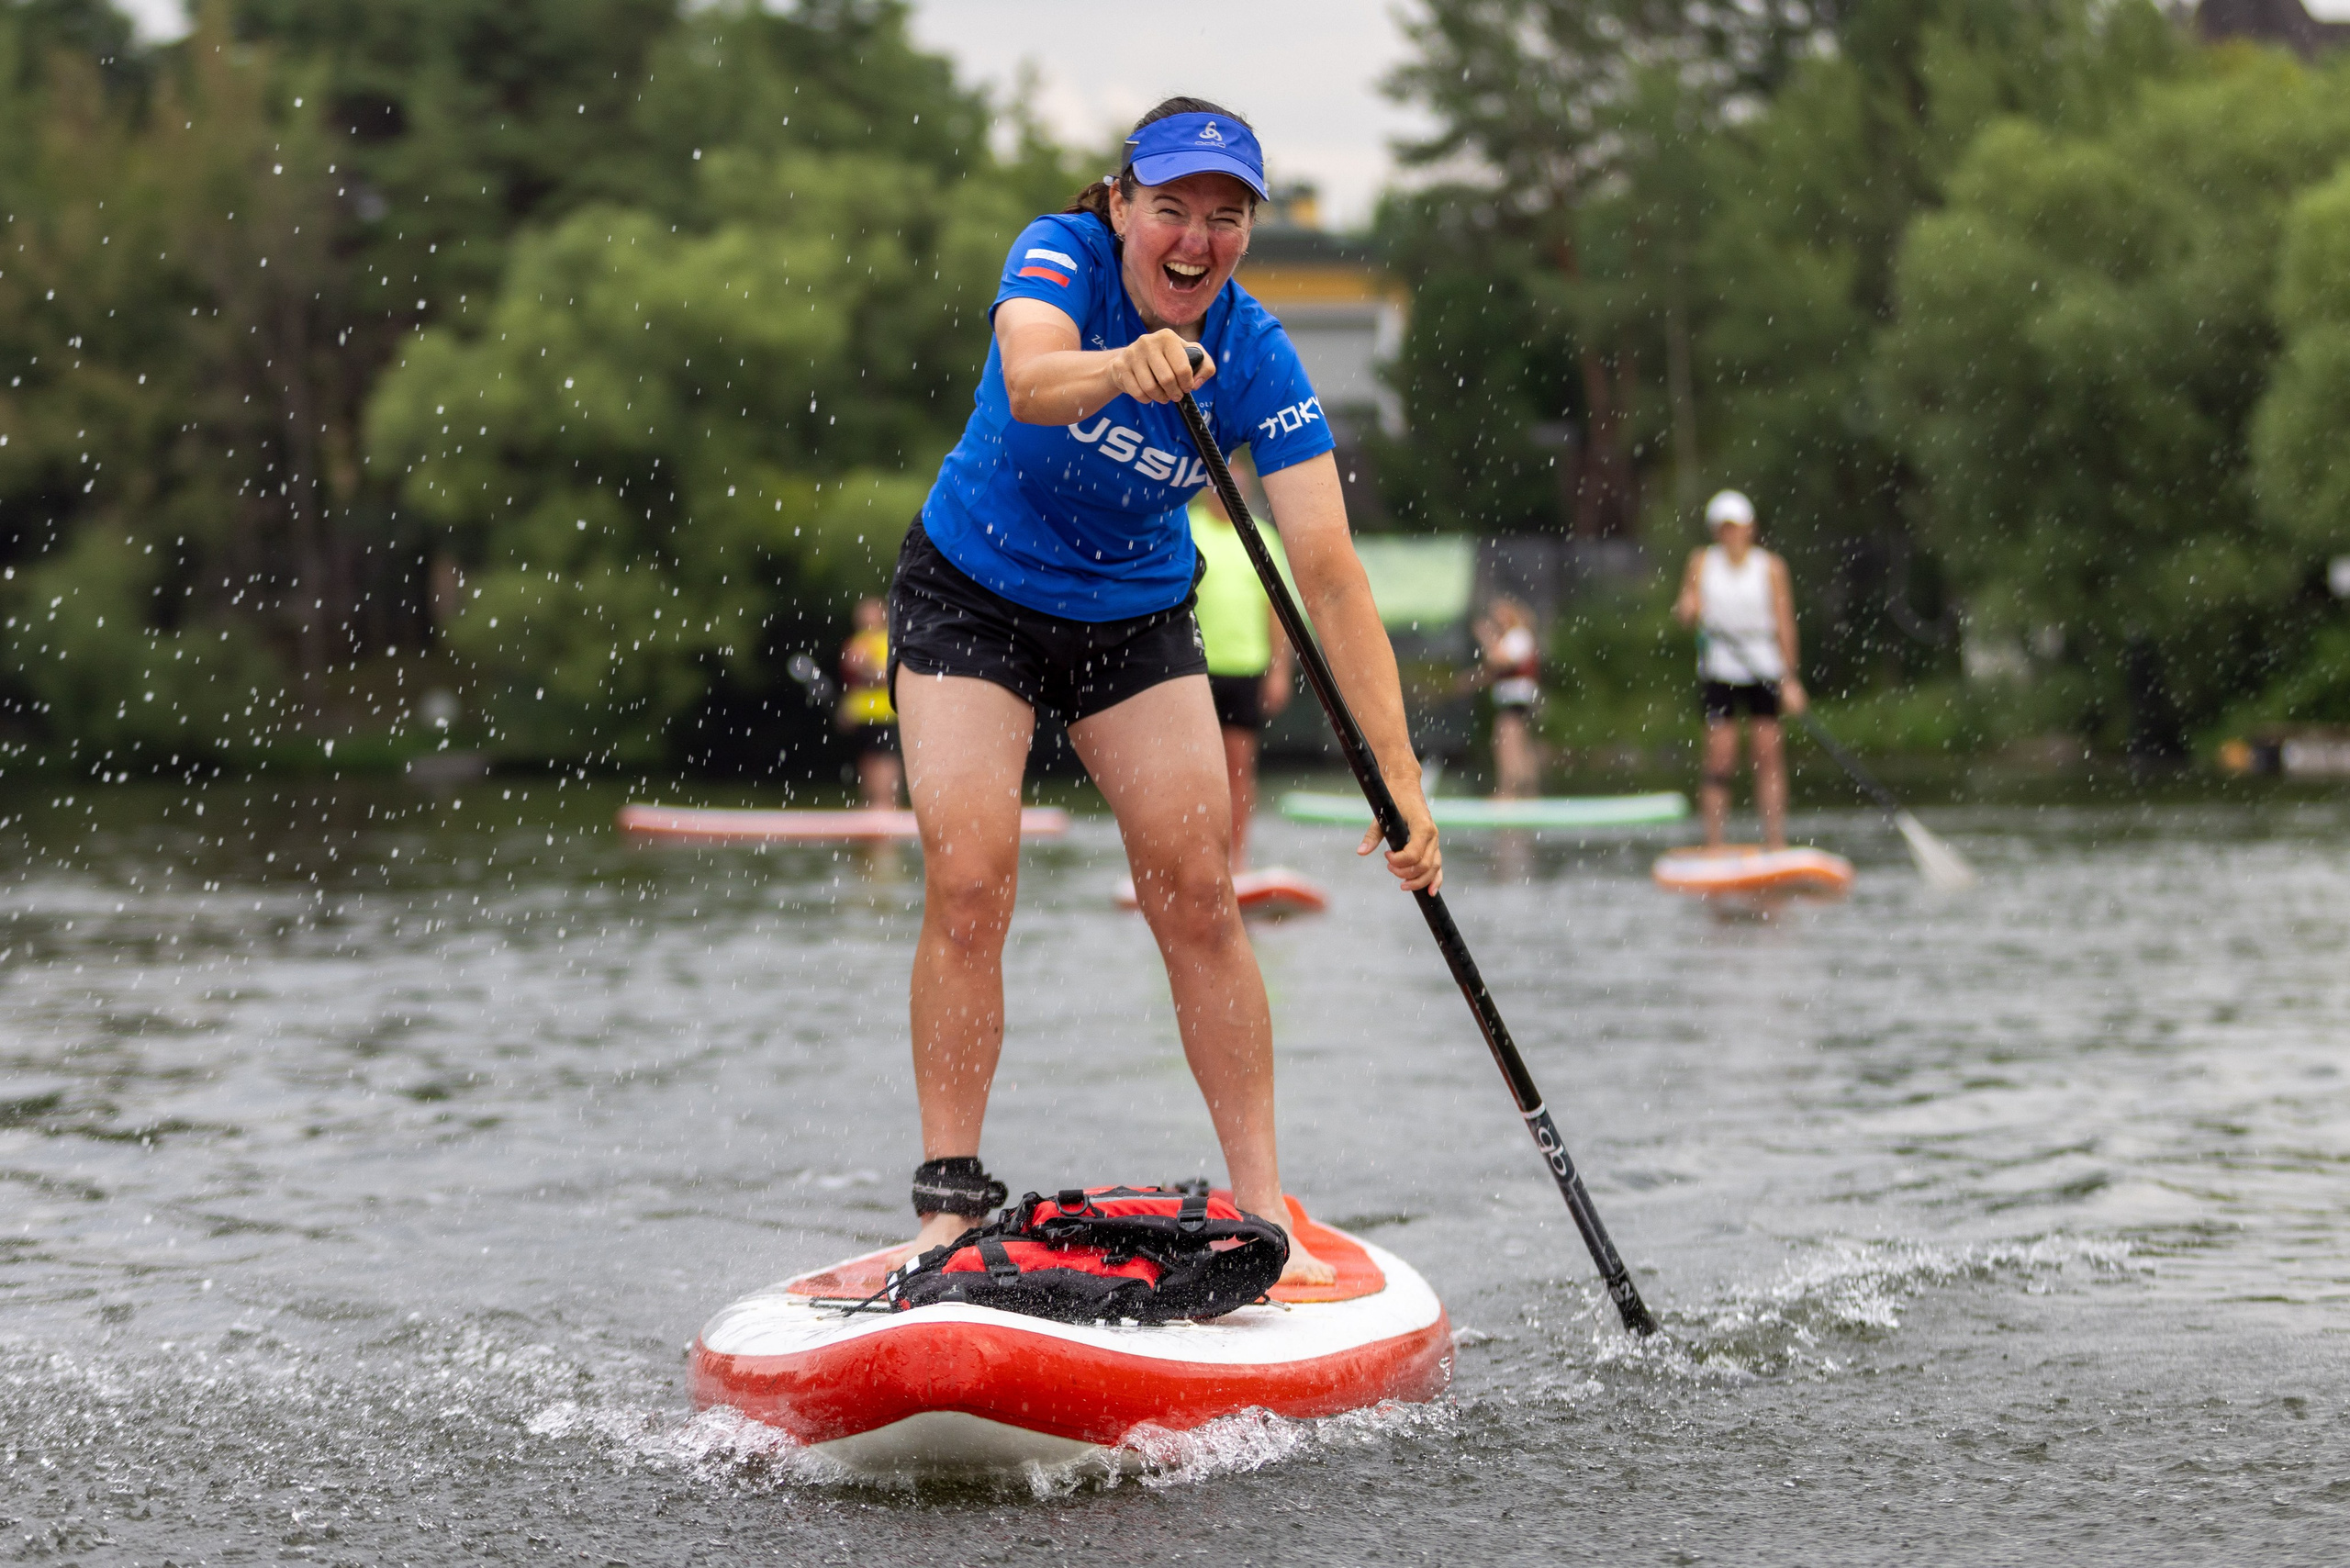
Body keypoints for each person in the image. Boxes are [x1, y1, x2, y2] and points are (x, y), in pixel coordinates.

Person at [889, 98, 1439, 1286]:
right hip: (972, 592)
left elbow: (1330, 575)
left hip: (1131, 617)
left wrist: (1397, 771)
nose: (1196, 240)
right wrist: (1117, 365)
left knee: (1197, 892)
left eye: (1225, 218)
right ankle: (948, 1203)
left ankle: (1262, 1214)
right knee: (972, 877)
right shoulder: (1060, 254)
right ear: (1120, 203)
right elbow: (1031, 380)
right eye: (1172, 209)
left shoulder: (1256, 355)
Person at [1672, 489, 1807, 850]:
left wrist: (1790, 680)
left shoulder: (1771, 567)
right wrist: (1687, 610)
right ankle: (1714, 844)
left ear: (1750, 528)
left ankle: (1775, 842)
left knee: (1768, 755)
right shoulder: (1701, 561)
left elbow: (1784, 622)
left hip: (1764, 666)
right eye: (1723, 527)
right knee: (1720, 757)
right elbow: (1685, 609)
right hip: (1721, 668)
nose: (1729, 534)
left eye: (1735, 526)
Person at [1190, 482, 1293, 872]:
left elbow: (1275, 609)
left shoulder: (1261, 536)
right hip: (1193, 668)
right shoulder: (1187, 528)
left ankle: (1236, 860)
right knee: (1193, 772)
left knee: (1239, 771)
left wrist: (1279, 671)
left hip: (1245, 669)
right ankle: (1193, 857)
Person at [1469, 597, 1541, 799]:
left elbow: (1500, 660)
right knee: (1517, 743)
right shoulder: (1513, 638)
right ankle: (1525, 791)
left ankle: (1510, 790)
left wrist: (1486, 638)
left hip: (1516, 698)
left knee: (1507, 744)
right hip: (1512, 698)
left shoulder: (1518, 636)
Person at [836, 597, 902, 810]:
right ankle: (870, 802)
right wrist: (847, 707)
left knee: (886, 757)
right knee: (867, 758)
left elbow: (888, 676)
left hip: (884, 711)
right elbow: (851, 682)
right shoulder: (856, 642)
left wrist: (864, 667)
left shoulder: (889, 640)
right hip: (862, 712)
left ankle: (886, 802)